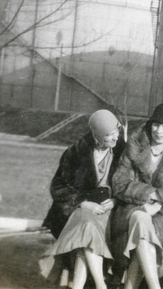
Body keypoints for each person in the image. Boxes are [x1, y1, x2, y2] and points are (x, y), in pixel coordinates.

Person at [40, 109, 125, 289]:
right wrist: (83, 203)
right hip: (78, 210)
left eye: (117, 131)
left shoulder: (121, 151)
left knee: (86, 236)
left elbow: (129, 182)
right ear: (97, 135)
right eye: (110, 134)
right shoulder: (77, 151)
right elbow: (58, 185)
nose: (115, 137)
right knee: (86, 228)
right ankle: (101, 285)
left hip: (107, 211)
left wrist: (116, 201)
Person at [110, 103, 163, 289]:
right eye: (156, 125)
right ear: (149, 125)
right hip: (130, 210)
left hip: (162, 215)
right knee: (140, 218)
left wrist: (158, 204)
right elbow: (119, 183)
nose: (159, 131)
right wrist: (149, 194)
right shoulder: (135, 147)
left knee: (142, 236)